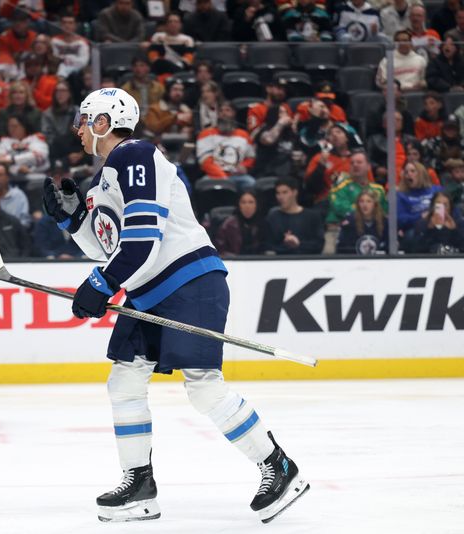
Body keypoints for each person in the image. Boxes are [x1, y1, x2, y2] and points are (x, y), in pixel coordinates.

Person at [43, 87, 309, 523]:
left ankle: (278, 467)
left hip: (189, 282)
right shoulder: (104, 180)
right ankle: (139, 485)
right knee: (124, 381)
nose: (78, 129)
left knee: (203, 385)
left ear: (105, 122)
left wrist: (100, 284)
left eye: (85, 119)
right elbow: (107, 248)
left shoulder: (136, 155)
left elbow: (143, 240)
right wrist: (72, 221)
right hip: (150, 291)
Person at [266, 177, 325, 254]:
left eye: (284, 192)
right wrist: (287, 245)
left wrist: (298, 244)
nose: (280, 197)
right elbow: (268, 245)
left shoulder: (312, 216)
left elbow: (319, 245)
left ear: (294, 192)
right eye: (278, 193)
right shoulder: (273, 217)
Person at [197, 117, 257, 191]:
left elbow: (250, 157)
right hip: (213, 176)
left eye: (228, 110)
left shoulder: (243, 134)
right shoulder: (206, 133)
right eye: (221, 110)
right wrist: (223, 178)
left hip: (237, 175)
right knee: (202, 185)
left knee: (250, 182)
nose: (224, 114)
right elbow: (205, 160)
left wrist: (245, 166)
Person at [336, 190, 389, 254]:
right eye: (361, 201)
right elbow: (342, 247)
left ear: (375, 204)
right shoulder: (350, 221)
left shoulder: (384, 221)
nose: (365, 205)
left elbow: (388, 245)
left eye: (369, 201)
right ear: (358, 204)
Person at [397, 161, 441, 232]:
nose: (409, 174)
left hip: (438, 224)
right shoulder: (401, 195)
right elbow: (400, 219)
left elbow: (449, 208)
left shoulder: (437, 190)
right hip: (415, 229)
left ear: (421, 173)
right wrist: (420, 216)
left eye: (412, 171)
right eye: (406, 172)